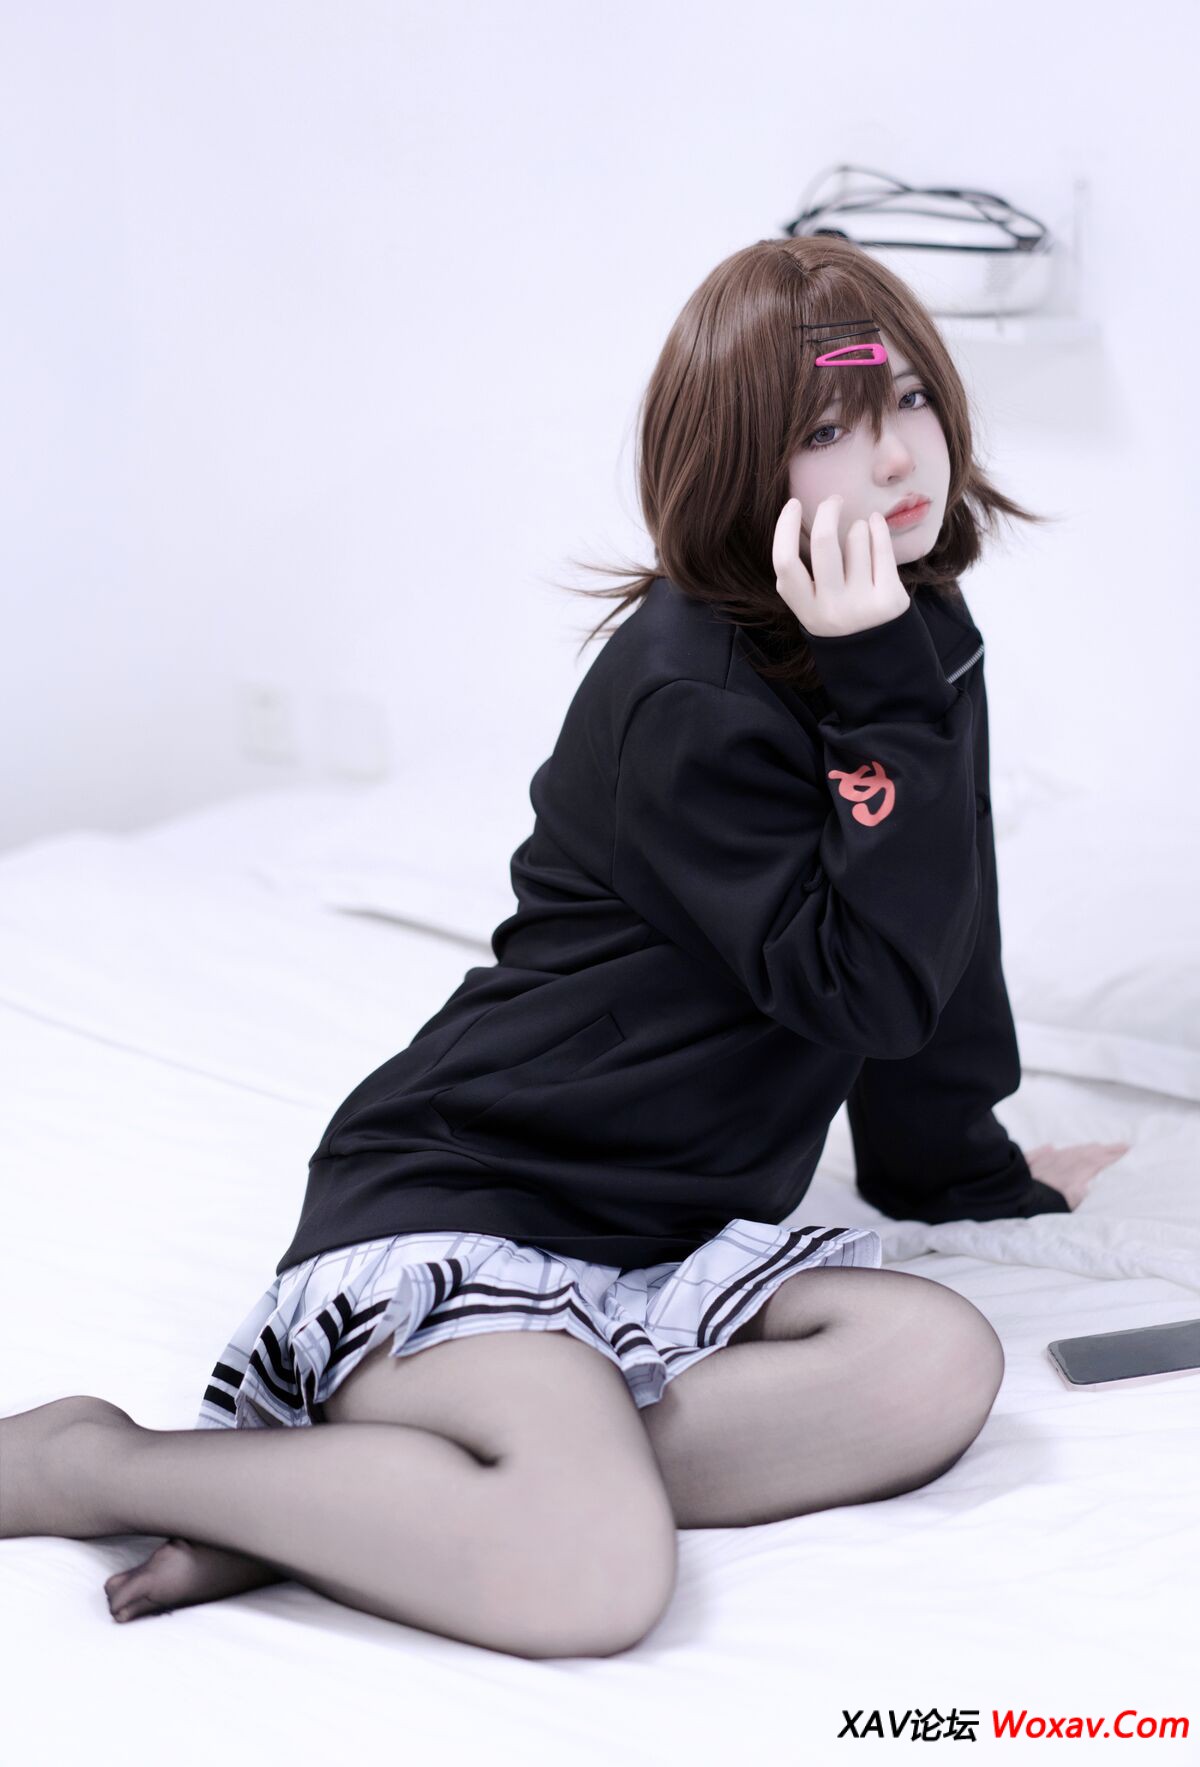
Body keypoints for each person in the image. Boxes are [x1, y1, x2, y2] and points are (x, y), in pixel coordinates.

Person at [0, 237, 1129, 1658]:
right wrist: (884, 689)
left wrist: (962, 1178)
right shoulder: (693, 691)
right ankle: (96, 1462)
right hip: (488, 1198)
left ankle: (350, 1505)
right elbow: (871, 984)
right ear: (741, 463)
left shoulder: (905, 636)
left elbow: (945, 919)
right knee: (590, 1581)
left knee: (933, 1365)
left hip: (668, 1243)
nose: (897, 455)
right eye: (828, 428)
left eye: (907, 399)